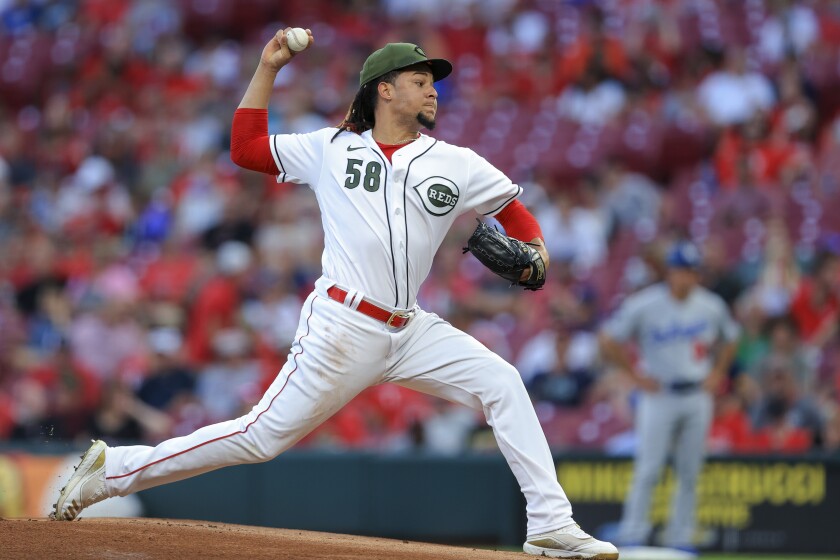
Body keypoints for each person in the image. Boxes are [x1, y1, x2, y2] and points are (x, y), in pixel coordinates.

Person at [51, 29, 618, 559]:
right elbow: (246, 148)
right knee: (259, 437)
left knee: (503, 382)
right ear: (385, 89)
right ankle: (115, 470)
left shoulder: (457, 162)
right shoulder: (331, 148)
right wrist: (268, 67)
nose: (432, 90)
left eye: (433, 82)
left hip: (411, 328)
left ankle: (549, 524)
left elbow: (514, 213)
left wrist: (537, 252)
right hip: (343, 325)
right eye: (420, 80)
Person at [599, 240, 739, 551]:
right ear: (669, 273)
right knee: (649, 467)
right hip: (659, 394)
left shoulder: (710, 304)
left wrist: (717, 374)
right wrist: (634, 376)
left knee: (690, 470)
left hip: (696, 394)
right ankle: (634, 532)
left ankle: (680, 536)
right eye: (680, 270)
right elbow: (609, 339)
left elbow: (731, 339)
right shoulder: (646, 304)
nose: (685, 277)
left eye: (691, 271)